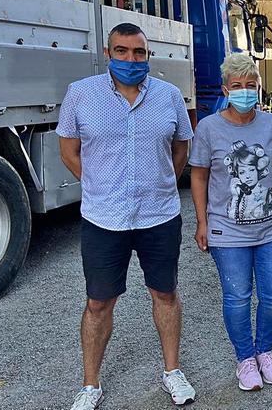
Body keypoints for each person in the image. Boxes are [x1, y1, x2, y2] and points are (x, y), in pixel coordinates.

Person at [57, 23, 196, 409]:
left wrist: (163, 183)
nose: (131, 60)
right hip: (104, 219)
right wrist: (99, 184)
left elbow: (181, 148)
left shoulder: (169, 96)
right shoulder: (81, 95)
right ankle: (90, 385)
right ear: (108, 53)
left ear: (148, 56)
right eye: (122, 51)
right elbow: (68, 151)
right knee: (98, 302)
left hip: (159, 215)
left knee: (165, 293)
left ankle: (172, 372)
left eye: (139, 53)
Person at [189, 53, 272, 392]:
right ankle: (245, 359)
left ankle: (265, 352)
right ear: (225, 89)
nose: (245, 91)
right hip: (227, 230)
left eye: (251, 85)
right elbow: (200, 177)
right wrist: (201, 221)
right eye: (237, 86)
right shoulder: (208, 128)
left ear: (259, 89)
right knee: (237, 297)